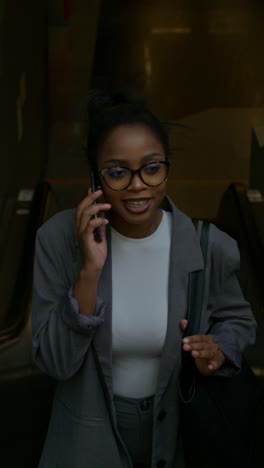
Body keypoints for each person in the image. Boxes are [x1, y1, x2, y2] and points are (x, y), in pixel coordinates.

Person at [32, 88, 256, 468]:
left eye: (152, 167)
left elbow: (239, 321)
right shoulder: (57, 241)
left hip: (179, 436)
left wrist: (218, 348)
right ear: (95, 175)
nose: (138, 185)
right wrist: (89, 271)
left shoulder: (208, 246)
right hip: (87, 440)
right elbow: (55, 363)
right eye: (118, 172)